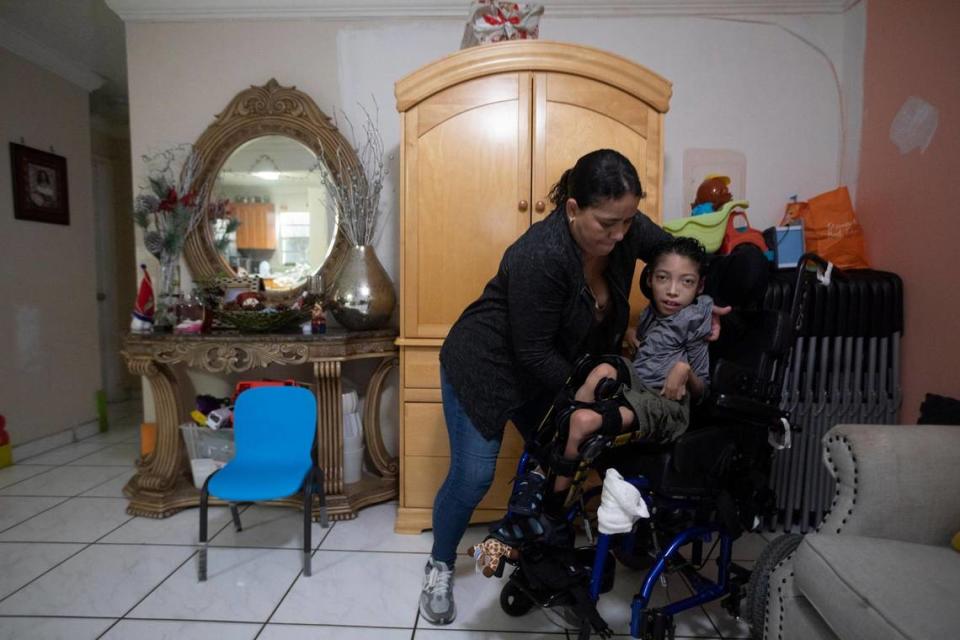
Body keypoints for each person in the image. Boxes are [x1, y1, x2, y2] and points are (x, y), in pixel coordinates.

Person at [420, 148, 693, 625]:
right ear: (572, 209)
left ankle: (531, 551)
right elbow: (531, 353)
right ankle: (440, 563)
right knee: (474, 476)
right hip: (486, 365)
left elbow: (680, 260)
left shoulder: (625, 227)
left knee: (565, 457)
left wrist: (702, 312)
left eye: (628, 221)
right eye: (608, 223)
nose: (620, 234)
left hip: (549, 364)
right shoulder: (540, 255)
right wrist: (586, 385)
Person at [549, 235, 713, 495]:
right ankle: (565, 435)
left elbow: (703, 392)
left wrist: (684, 370)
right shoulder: (651, 313)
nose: (672, 290)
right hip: (638, 389)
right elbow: (648, 349)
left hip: (667, 406)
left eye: (687, 282)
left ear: (699, 286)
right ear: (649, 280)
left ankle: (554, 501)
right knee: (601, 370)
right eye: (662, 278)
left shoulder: (694, 323)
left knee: (583, 420)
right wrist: (629, 333)